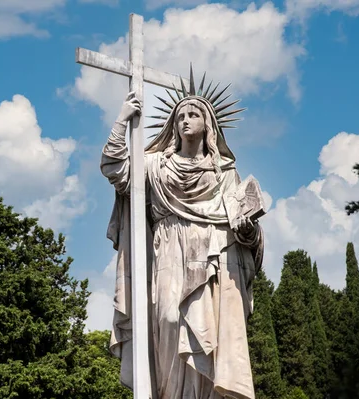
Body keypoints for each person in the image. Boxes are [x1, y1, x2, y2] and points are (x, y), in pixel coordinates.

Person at [101, 90, 264, 399]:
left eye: (193, 115)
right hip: (168, 252)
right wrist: (122, 119)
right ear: (172, 126)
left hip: (214, 258)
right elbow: (116, 170)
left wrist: (248, 229)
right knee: (168, 320)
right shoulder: (154, 166)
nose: (185, 121)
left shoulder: (225, 173)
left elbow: (245, 230)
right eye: (180, 117)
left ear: (208, 125)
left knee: (211, 338)